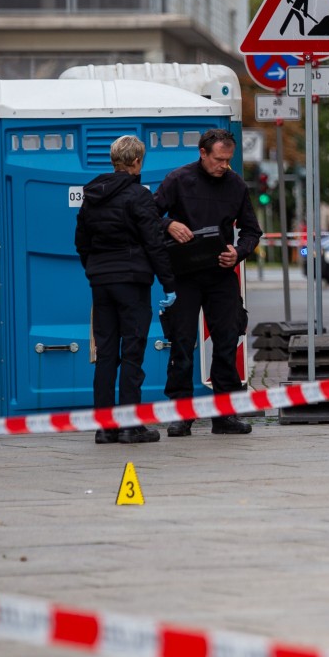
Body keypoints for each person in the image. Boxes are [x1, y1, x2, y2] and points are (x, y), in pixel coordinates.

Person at [154, 128, 263, 436]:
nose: (224, 166)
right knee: (182, 345)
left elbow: (253, 231)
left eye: (228, 160)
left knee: (228, 341)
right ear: (202, 153)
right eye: (218, 159)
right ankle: (181, 415)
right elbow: (147, 214)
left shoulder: (236, 185)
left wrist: (238, 252)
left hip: (220, 274)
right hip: (184, 275)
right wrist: (169, 224)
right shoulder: (178, 180)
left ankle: (224, 415)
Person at [75, 135, 177, 445]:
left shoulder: (92, 194)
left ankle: (105, 428)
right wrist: (169, 284)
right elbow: (154, 242)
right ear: (137, 162)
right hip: (132, 282)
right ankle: (131, 425)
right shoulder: (138, 196)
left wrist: (95, 269)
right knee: (132, 353)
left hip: (101, 283)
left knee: (106, 354)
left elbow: (81, 241)